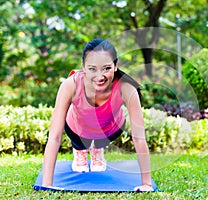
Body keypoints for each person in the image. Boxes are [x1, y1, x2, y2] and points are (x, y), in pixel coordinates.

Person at [42, 38, 153, 192]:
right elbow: (54, 137)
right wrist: (47, 184)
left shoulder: (126, 88)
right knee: (81, 143)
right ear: (83, 67)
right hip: (77, 129)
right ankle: (80, 150)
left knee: (99, 141)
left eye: (106, 68)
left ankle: (96, 149)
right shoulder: (70, 85)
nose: (100, 76)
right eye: (92, 68)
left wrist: (147, 184)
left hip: (110, 129)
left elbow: (139, 137)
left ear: (116, 66)